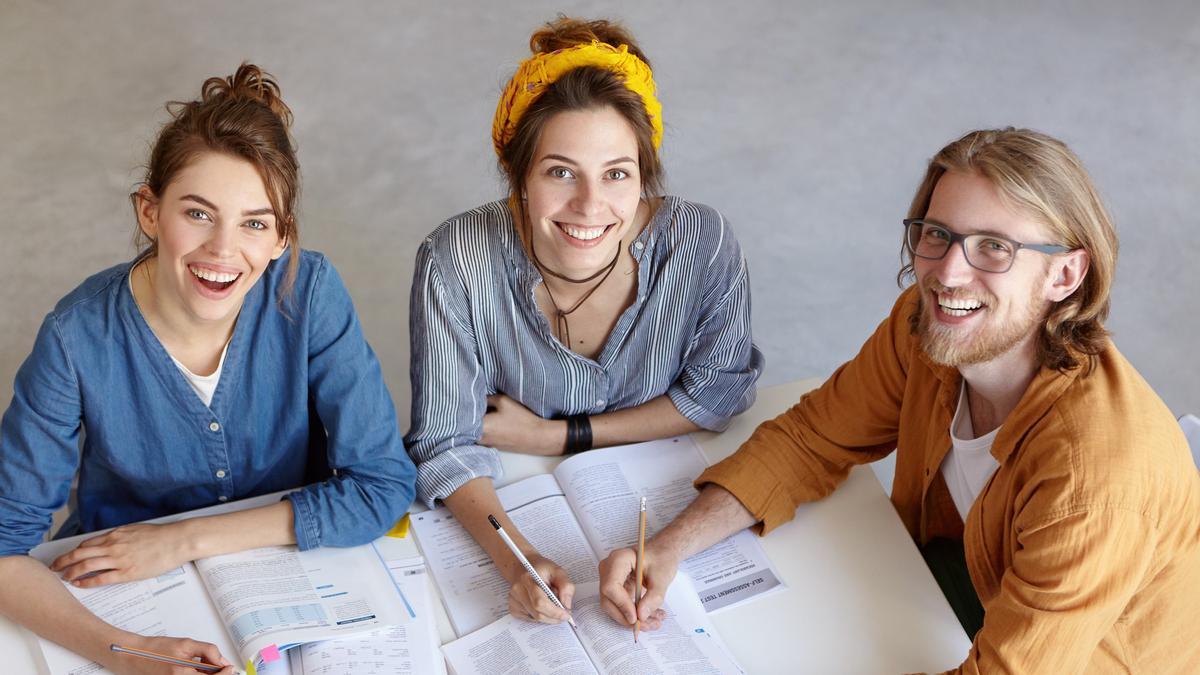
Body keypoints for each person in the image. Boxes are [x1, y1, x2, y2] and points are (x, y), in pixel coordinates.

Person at [599, 128, 1200, 672]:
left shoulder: (1095, 483)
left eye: (995, 247)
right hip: (961, 577)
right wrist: (669, 547)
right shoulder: (927, 330)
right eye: (937, 235)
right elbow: (811, 440)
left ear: (1065, 277)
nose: (948, 274)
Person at [0, 64, 416, 673]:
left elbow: (383, 484)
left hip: (286, 574)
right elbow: (5, 543)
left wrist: (186, 539)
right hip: (125, 590)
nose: (223, 251)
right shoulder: (75, 336)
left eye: (254, 223)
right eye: (197, 213)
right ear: (150, 210)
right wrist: (123, 652)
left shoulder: (310, 291)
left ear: (281, 237)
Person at [406, 17, 763, 625]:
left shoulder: (701, 243)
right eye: (560, 171)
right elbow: (446, 445)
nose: (590, 206)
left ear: (644, 175)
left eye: (617, 174)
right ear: (518, 174)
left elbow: (719, 396)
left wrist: (557, 436)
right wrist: (517, 561)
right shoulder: (454, 259)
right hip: (519, 495)